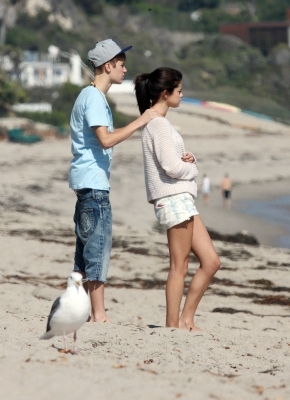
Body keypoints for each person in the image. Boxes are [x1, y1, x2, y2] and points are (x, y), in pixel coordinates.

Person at [68, 39, 158, 323]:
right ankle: (99, 314)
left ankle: (82, 311)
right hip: (93, 185)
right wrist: (139, 121)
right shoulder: (93, 97)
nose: (124, 68)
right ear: (108, 66)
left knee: (84, 254)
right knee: (97, 248)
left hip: (86, 182)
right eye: (120, 64)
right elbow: (105, 140)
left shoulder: (89, 96)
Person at [134, 67, 220, 331]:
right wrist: (192, 169)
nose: (182, 95)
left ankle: (186, 319)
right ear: (165, 93)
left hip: (181, 199)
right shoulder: (158, 124)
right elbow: (171, 167)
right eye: (179, 91)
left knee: (211, 262)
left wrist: (188, 158)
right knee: (178, 266)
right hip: (173, 198)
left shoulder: (160, 123)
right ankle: (173, 325)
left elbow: (172, 162)